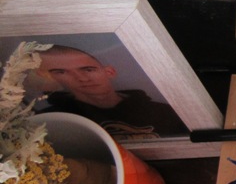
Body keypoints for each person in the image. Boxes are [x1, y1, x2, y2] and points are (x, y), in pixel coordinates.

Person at [35, 45, 186, 139]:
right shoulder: (51, 124)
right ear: (51, 78)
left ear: (109, 72)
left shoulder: (166, 112)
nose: (82, 78)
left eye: (88, 69)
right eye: (61, 72)